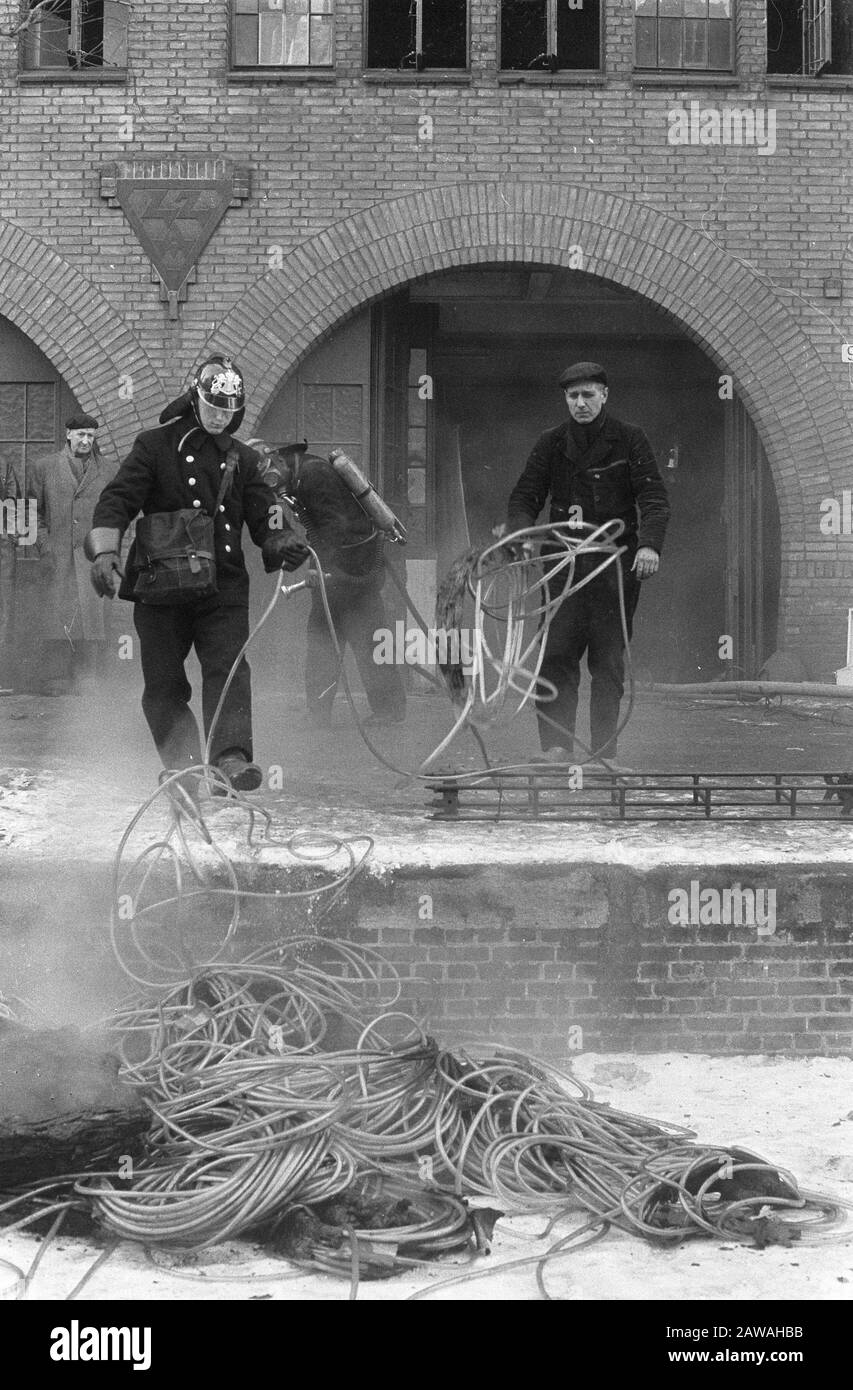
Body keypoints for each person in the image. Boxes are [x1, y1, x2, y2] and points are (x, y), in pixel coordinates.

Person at [86, 357, 308, 791]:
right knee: (165, 684)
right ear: (195, 399)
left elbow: (267, 513)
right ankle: (184, 765)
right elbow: (117, 499)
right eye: (213, 407)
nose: (219, 417)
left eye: (228, 411)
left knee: (227, 670)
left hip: (221, 587)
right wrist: (105, 552)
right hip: (159, 585)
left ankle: (230, 758)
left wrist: (278, 540)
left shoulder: (243, 459)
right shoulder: (153, 446)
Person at [505, 362, 670, 767]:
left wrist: (649, 547)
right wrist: (523, 537)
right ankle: (557, 749)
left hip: (613, 571)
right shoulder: (551, 443)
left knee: (608, 662)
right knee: (557, 658)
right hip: (562, 570)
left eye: (588, 395)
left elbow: (653, 500)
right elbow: (525, 497)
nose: (580, 404)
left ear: (604, 396)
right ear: (566, 399)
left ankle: (604, 755)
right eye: (572, 396)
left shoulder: (630, 439)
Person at [249, 440, 406, 730]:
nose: (270, 482)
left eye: (268, 473)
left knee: (360, 640)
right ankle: (325, 712)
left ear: (277, 460)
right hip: (342, 567)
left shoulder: (314, 474)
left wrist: (323, 568)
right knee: (328, 643)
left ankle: (385, 711)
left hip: (353, 568)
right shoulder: (298, 476)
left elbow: (338, 527)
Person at [28, 414, 116, 696]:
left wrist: (106, 550)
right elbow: (29, 514)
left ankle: (89, 679)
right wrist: (46, 547)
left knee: (93, 619)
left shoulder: (108, 470)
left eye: (91, 436)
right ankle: (55, 678)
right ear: (68, 435)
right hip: (57, 558)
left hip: (93, 557)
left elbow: (117, 513)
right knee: (57, 616)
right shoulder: (44, 468)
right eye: (80, 435)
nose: (86, 441)